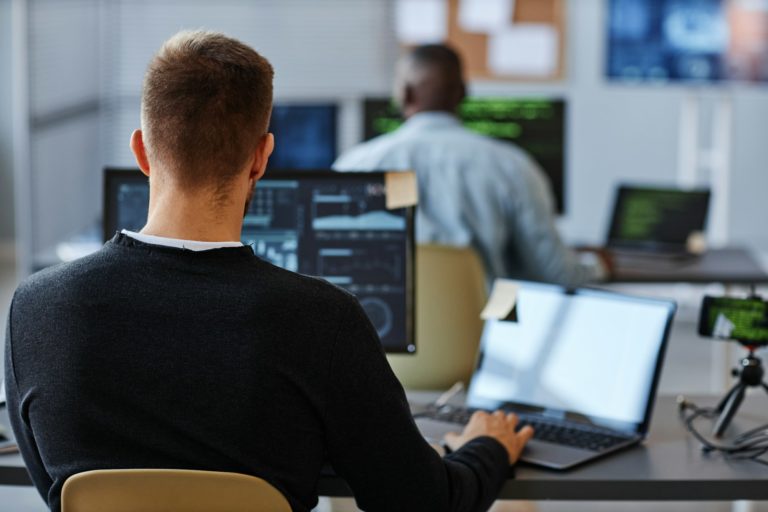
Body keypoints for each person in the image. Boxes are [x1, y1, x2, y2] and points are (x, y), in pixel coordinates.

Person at [4, 31, 533, 512]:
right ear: (261, 158)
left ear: (141, 152)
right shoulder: (321, 320)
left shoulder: (36, 307)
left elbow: (53, 482)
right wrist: (486, 448)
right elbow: (423, 505)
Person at [334, 44, 611, 287]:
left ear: (404, 94)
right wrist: (598, 265)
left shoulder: (354, 165)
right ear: (463, 93)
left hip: (378, 339)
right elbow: (556, 274)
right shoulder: (511, 166)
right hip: (487, 337)